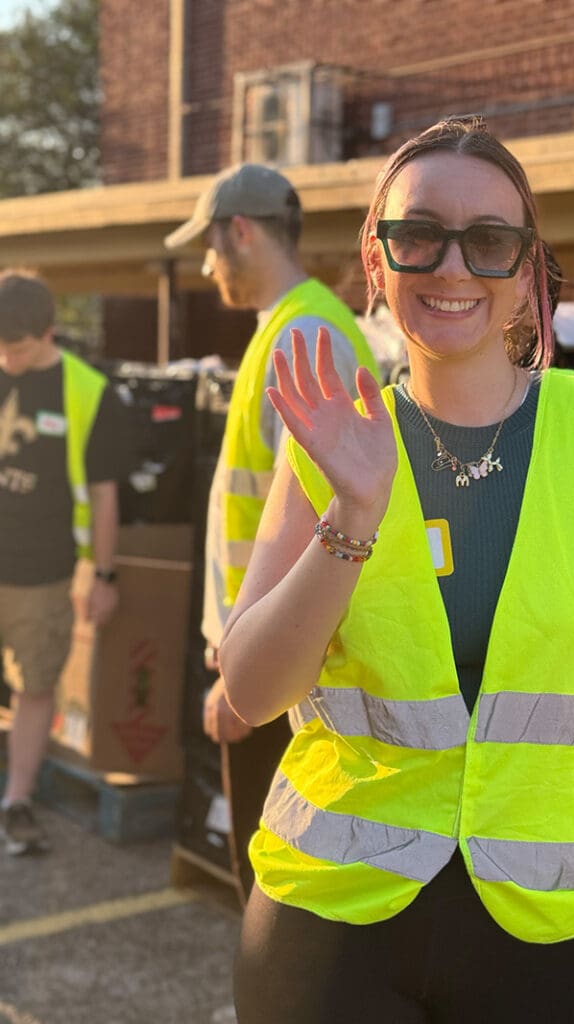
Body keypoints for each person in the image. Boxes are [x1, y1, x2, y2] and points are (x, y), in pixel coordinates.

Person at [218, 117, 574, 1023]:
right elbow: (252, 691)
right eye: (418, 235)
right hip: (333, 917)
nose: (453, 267)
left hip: (548, 930)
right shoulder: (335, 444)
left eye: (489, 241)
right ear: (377, 263)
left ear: (528, 273)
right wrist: (355, 511)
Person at [165, 163, 380, 748]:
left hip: (284, 666)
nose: (209, 266)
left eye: (210, 247)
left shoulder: (302, 335)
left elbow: (318, 515)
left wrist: (251, 671)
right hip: (270, 651)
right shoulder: (292, 327)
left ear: (240, 231)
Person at [0, 270, 124, 855]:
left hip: (42, 575)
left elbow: (103, 494)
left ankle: (17, 801)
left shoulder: (88, 392)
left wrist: (104, 575)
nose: (9, 359)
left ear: (49, 332)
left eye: (19, 349)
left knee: (35, 687)